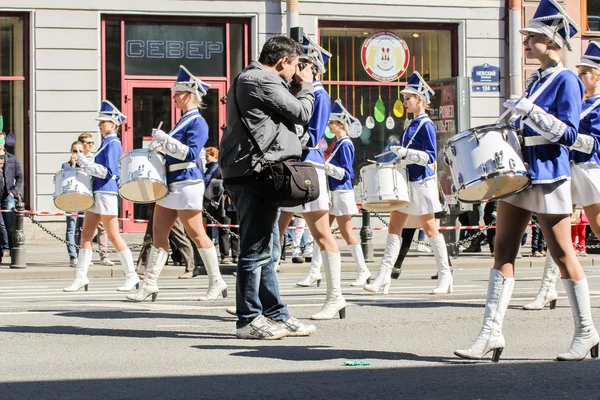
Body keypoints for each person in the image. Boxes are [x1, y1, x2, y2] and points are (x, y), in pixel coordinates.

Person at [456, 0, 599, 362]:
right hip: (520, 174)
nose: (525, 43)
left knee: (563, 253)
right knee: (502, 250)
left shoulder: (566, 79)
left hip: (550, 172)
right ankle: (490, 333)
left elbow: (568, 134)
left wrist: (530, 111)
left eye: (531, 37)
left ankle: (586, 333)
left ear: (551, 41)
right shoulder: (538, 78)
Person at [219, 36, 317, 339]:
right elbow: (302, 113)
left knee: (268, 248)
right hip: (255, 174)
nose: (295, 73)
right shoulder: (262, 79)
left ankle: (276, 313)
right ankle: (248, 319)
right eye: (295, 66)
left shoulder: (250, 78)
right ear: (283, 61)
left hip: (254, 171)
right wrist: (309, 85)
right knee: (255, 250)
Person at [126, 66, 227, 303]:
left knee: (197, 234)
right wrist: (160, 147)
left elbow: (191, 153)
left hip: (187, 183)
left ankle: (216, 280)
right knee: (159, 234)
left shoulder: (198, 122)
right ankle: (149, 284)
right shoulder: (183, 120)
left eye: (177, 93)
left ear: (189, 95)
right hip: (172, 183)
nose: (173, 97)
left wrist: (166, 140)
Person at [523, 40, 600, 311]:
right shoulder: (580, 101)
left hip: (589, 169)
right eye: (579, 71)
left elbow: (594, 144)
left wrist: (559, 133)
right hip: (567, 167)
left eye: (585, 72)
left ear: (597, 77)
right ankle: (548, 289)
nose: (580, 76)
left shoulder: (599, 106)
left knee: (599, 227)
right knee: (559, 234)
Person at [275, 34, 347, 321]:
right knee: (274, 229)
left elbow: (313, 136)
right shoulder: (300, 93)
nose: (295, 68)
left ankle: (335, 297)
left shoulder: (318, 94)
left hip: (308, 169)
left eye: (301, 63)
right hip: (295, 167)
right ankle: (260, 296)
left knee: (321, 234)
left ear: (312, 68)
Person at [364, 71, 452, 295]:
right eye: (404, 98)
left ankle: (445, 276)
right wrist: (397, 156)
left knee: (431, 228)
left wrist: (407, 153)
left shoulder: (426, 125)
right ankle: (383, 275)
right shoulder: (409, 124)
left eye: (408, 98)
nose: (405, 102)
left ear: (420, 100)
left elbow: (430, 157)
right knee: (394, 227)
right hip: (406, 182)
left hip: (422, 182)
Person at [64, 101, 139, 292]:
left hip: (106, 191)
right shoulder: (106, 143)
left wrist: (84, 162)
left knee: (113, 235)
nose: (99, 125)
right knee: (86, 235)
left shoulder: (113, 143)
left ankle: (132, 275)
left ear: (113, 124)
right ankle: (80, 277)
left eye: (103, 122)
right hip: (99, 191)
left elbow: (109, 172)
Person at [298, 100, 370, 287]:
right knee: (321, 232)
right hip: (332, 192)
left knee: (347, 234)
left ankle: (363, 270)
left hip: (342, 191)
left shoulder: (345, 144)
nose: (329, 126)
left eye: (332, 123)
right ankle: (314, 272)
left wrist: (324, 167)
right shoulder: (338, 143)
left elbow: (347, 173)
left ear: (341, 124)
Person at [78, 132, 114, 266]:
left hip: (95, 194)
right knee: (82, 229)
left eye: (92, 143)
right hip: (83, 195)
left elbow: (105, 171)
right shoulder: (77, 157)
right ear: (81, 143)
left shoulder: (95, 157)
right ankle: (81, 257)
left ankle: (103, 255)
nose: (90, 145)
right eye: (87, 142)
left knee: (104, 228)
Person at [63, 140, 84, 268]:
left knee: (82, 229)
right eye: (75, 151)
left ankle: (81, 254)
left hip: (83, 200)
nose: (77, 154)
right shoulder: (66, 165)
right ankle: (72, 256)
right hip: (71, 200)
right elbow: (65, 179)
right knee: (71, 229)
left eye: (80, 151)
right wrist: (72, 164)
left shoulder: (86, 165)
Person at [0, 131, 23, 251]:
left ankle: (13, 247)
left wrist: (13, 192)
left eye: (1, 141)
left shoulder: (12, 158)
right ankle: (5, 248)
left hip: (7, 194)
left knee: (10, 223)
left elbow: (19, 177)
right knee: (1, 224)